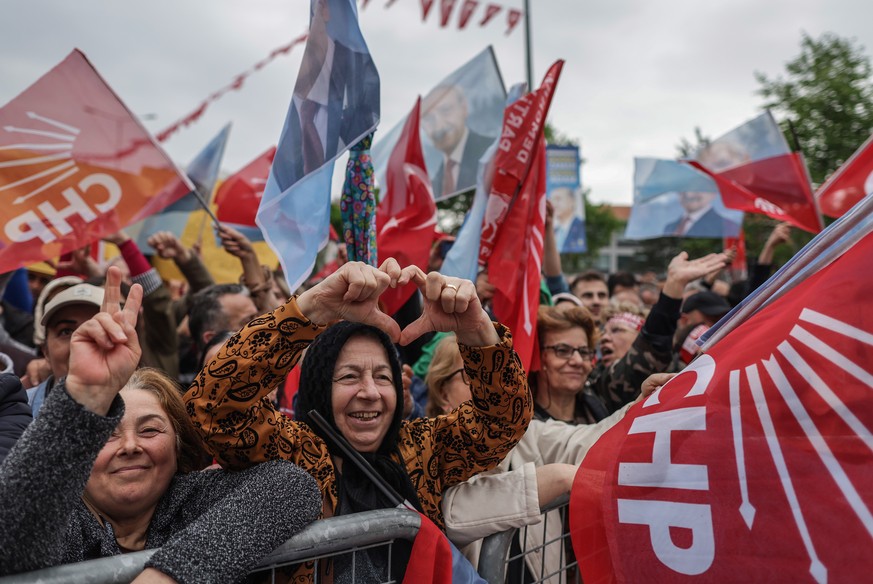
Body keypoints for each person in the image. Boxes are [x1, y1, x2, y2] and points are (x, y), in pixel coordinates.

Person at [185, 259, 532, 581]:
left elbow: (500, 423)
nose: (370, 392)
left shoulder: (420, 448)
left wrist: (477, 332)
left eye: (383, 377)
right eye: (349, 377)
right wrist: (313, 307)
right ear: (319, 388)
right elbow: (211, 408)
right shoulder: (293, 453)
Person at [0, 267, 321, 583]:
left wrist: (169, 575)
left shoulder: (194, 501)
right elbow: (10, 540)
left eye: (150, 430)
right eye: (106, 436)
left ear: (178, 443)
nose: (130, 446)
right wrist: (86, 398)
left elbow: (293, 486)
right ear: (80, 449)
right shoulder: (63, 519)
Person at [426, 333, 674, 582]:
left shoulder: (526, 433)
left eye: (496, 375)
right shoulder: (424, 452)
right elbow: (454, 511)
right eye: (472, 374)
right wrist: (553, 479)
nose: (489, 386)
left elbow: (581, 440)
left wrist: (639, 408)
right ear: (443, 392)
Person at [422, 84, 493, 198]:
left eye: (445, 110)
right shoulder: (431, 180)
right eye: (428, 119)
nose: (439, 126)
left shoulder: (493, 152)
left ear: (464, 107)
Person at [664, 190, 741, 238]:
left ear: (713, 193)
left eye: (697, 188)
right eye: (685, 188)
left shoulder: (727, 226)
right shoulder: (669, 227)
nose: (689, 194)